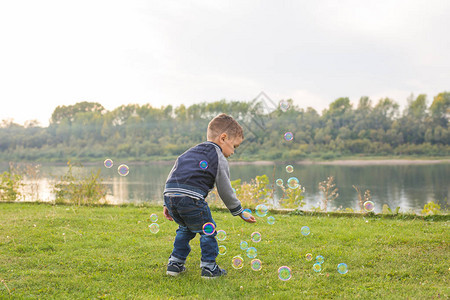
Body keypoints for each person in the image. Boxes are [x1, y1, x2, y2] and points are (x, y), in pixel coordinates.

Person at [163, 113, 256, 279]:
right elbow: (225, 190)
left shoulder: (188, 153)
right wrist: (239, 211)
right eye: (235, 146)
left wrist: (167, 203)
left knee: (185, 229)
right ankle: (209, 267)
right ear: (223, 138)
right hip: (192, 199)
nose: (233, 152)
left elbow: (173, 175)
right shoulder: (218, 157)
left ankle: (175, 264)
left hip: (171, 195)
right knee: (208, 230)